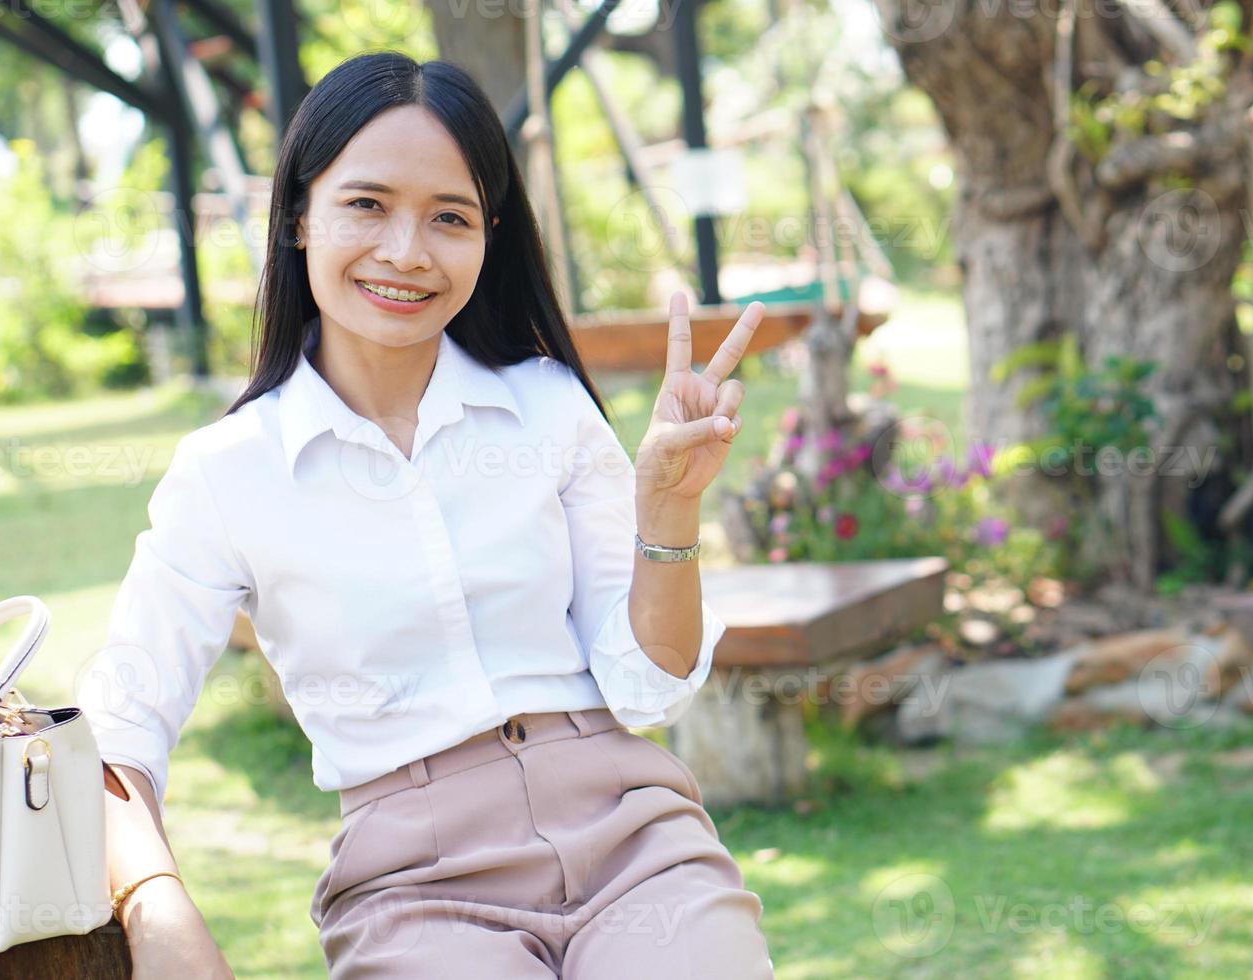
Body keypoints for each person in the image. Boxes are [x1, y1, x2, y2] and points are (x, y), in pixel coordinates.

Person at [77, 51, 774, 978]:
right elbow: (116, 726)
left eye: (448, 218)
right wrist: (156, 910)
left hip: (633, 841)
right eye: (367, 204)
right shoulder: (226, 473)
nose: (407, 252)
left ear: (488, 236)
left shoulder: (546, 405)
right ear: (297, 215)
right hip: (414, 884)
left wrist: (669, 513)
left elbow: (650, 684)